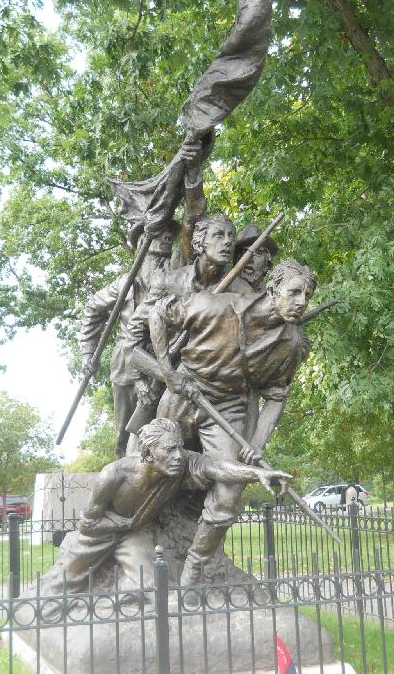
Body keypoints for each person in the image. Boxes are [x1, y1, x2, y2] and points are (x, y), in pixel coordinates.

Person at [148, 260, 317, 585]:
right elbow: (158, 313)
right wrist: (168, 373)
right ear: (272, 289)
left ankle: (193, 571)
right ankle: (139, 536)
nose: (301, 302)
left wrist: (257, 443)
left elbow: (277, 397)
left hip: (229, 408)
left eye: (307, 296)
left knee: (228, 494)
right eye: (294, 292)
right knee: (157, 471)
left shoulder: (292, 343)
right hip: (186, 392)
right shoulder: (216, 304)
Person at [37, 418, 291, 608]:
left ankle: (103, 604)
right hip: (99, 534)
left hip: (135, 535)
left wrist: (258, 473)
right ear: (148, 453)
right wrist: (124, 522)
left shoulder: (183, 464)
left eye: (179, 448)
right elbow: (89, 523)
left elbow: (220, 468)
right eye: (169, 450)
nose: (177, 455)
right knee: (56, 589)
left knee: (151, 587)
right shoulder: (114, 474)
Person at [124, 213, 252, 434]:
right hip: (167, 383)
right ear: (199, 242)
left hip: (219, 393)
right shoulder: (168, 282)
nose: (227, 241)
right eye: (218, 235)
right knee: (148, 456)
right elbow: (132, 341)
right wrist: (149, 379)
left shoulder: (243, 292)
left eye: (231, 236)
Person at [78, 222, 180, 457]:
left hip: (164, 359)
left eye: (169, 236)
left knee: (167, 427)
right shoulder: (125, 284)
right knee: (125, 434)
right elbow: (93, 309)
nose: (167, 237)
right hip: (126, 364)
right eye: (160, 233)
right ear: (142, 242)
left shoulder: (174, 279)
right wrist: (87, 353)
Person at [233, 224, 279, 293]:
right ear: (237, 259)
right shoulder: (223, 291)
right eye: (245, 253)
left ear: (267, 264)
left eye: (258, 253)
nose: (249, 258)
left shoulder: (273, 297)